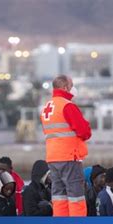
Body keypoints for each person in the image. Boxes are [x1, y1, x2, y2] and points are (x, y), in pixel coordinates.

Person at [40, 75, 92, 216]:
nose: (73, 88)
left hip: (53, 158)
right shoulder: (67, 105)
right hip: (69, 156)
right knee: (76, 196)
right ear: (65, 87)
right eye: (72, 85)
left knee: (58, 196)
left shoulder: (46, 107)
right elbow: (84, 131)